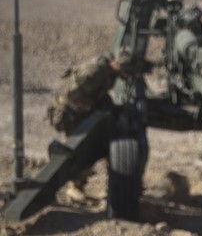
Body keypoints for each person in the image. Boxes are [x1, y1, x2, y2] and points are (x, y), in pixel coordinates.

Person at [47, 49, 138, 200]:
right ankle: (72, 187)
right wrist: (94, 109)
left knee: (97, 143)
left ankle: (79, 184)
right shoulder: (95, 71)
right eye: (127, 70)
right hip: (69, 113)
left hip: (81, 110)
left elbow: (99, 94)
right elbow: (71, 96)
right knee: (83, 149)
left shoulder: (109, 72)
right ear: (117, 65)